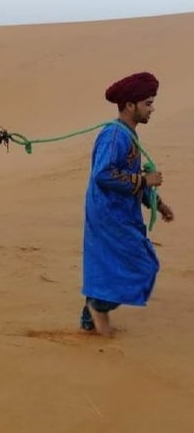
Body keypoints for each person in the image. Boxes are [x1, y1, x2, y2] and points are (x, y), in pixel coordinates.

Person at [79, 72, 174, 336]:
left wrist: (158, 203)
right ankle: (98, 306)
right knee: (141, 264)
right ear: (130, 105)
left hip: (121, 211)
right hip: (109, 212)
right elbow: (104, 174)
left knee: (110, 263)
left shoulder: (127, 135)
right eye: (147, 103)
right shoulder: (114, 135)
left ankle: (90, 318)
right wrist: (145, 180)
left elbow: (128, 175)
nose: (152, 109)